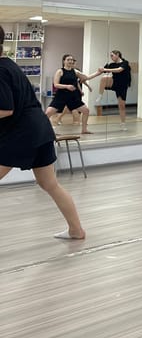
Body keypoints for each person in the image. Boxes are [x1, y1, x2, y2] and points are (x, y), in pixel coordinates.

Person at [0, 27, 86, 239]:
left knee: (49, 183)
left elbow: (6, 109)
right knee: (49, 183)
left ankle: (77, 230)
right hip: (39, 129)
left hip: (22, 133)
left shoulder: (0, 70)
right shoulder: (9, 65)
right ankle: (76, 230)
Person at [45, 54, 98, 135]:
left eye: (72, 60)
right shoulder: (60, 71)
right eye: (68, 59)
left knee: (86, 111)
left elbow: (86, 77)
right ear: (64, 61)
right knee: (48, 113)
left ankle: (84, 130)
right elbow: (56, 84)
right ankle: (45, 131)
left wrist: (98, 72)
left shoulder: (75, 71)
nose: (71, 61)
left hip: (72, 97)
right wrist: (67, 86)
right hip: (61, 96)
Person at [94, 50, 131, 130]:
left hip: (122, 85)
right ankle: (100, 95)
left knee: (122, 106)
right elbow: (102, 71)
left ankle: (123, 123)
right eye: (110, 56)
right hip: (114, 82)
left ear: (117, 55)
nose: (111, 57)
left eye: (112, 55)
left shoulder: (125, 62)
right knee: (103, 78)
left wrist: (107, 70)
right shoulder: (111, 64)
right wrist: (89, 77)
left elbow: (119, 70)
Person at [55, 59, 93, 126]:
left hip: (75, 91)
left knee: (72, 107)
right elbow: (76, 83)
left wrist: (87, 87)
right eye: (71, 62)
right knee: (70, 107)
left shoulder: (76, 71)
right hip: (70, 91)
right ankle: (74, 120)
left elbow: (81, 80)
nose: (72, 63)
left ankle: (75, 120)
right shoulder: (65, 72)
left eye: (73, 62)